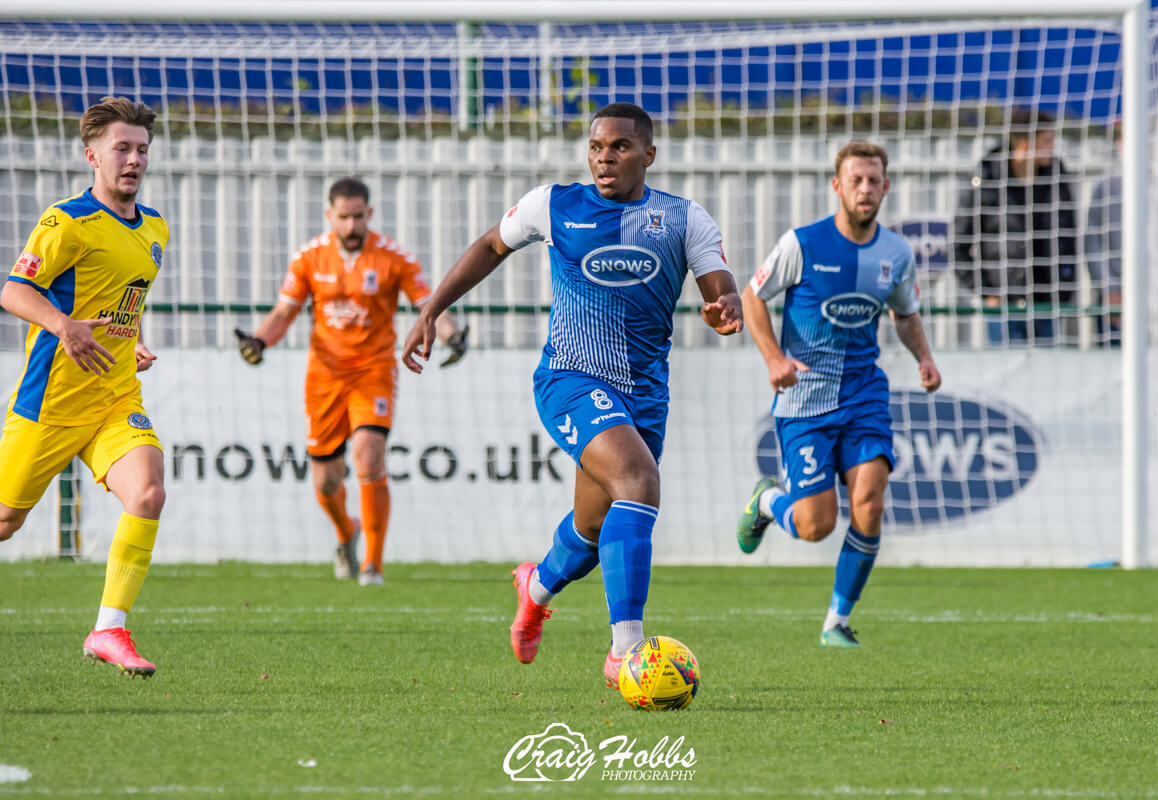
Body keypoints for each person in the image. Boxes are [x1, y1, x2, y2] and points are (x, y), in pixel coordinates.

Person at [400, 102, 743, 686]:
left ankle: (534, 587)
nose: (605, 158)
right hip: (571, 379)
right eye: (596, 147)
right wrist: (432, 307)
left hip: (645, 394)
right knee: (639, 482)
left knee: (590, 532)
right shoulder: (553, 205)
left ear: (648, 154)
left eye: (621, 147)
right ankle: (626, 653)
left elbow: (719, 286)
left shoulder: (684, 219)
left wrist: (724, 308)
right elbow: (489, 246)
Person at [735, 141, 941, 647]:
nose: (865, 189)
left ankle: (837, 622)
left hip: (864, 394)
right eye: (856, 180)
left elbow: (905, 313)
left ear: (886, 187)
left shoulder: (895, 253)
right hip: (805, 402)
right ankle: (767, 503)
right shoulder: (801, 244)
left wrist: (925, 359)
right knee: (814, 526)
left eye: (874, 180)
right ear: (837, 186)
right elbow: (751, 296)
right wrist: (775, 360)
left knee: (870, 500)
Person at [0, 96, 169, 677]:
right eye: (122, 148)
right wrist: (62, 325)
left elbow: (123, 301)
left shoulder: (155, 230)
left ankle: (109, 629)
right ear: (91, 153)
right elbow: (14, 292)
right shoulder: (65, 221)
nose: (133, 160)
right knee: (6, 521)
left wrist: (132, 338)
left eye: (142, 149)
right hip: (49, 402)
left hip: (115, 397)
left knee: (147, 493)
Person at [236, 178, 466, 586]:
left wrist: (450, 333)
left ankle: (372, 564)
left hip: (373, 371)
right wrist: (258, 341)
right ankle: (346, 531)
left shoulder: (394, 258)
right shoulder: (309, 257)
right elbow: (283, 313)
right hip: (324, 377)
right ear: (330, 216)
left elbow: (429, 307)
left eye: (358, 216)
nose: (351, 224)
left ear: (369, 214)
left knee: (368, 455)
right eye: (343, 217)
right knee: (326, 482)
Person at [954, 108, 1078, 345]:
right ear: (1025, 144)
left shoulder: (1058, 179)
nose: (1052, 147)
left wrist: (1063, 292)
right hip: (1003, 306)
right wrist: (987, 291)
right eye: (1046, 140)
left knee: (1046, 376)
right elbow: (958, 243)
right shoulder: (987, 178)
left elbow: (1069, 240)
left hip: (1047, 304)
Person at [1085, 142, 1158, 346]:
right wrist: (1110, 288)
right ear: (1121, 144)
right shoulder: (1104, 187)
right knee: (1112, 369)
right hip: (1116, 301)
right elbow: (1093, 242)